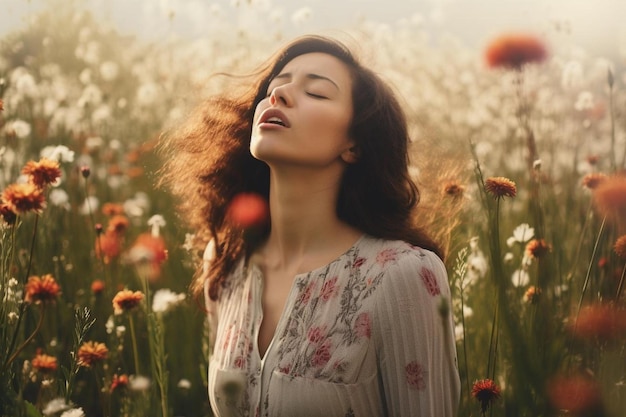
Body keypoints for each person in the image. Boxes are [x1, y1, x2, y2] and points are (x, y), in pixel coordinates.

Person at [160, 35, 460, 417]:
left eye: (317, 93)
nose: (280, 94)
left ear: (354, 144)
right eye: (274, 87)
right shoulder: (227, 262)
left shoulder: (402, 275)